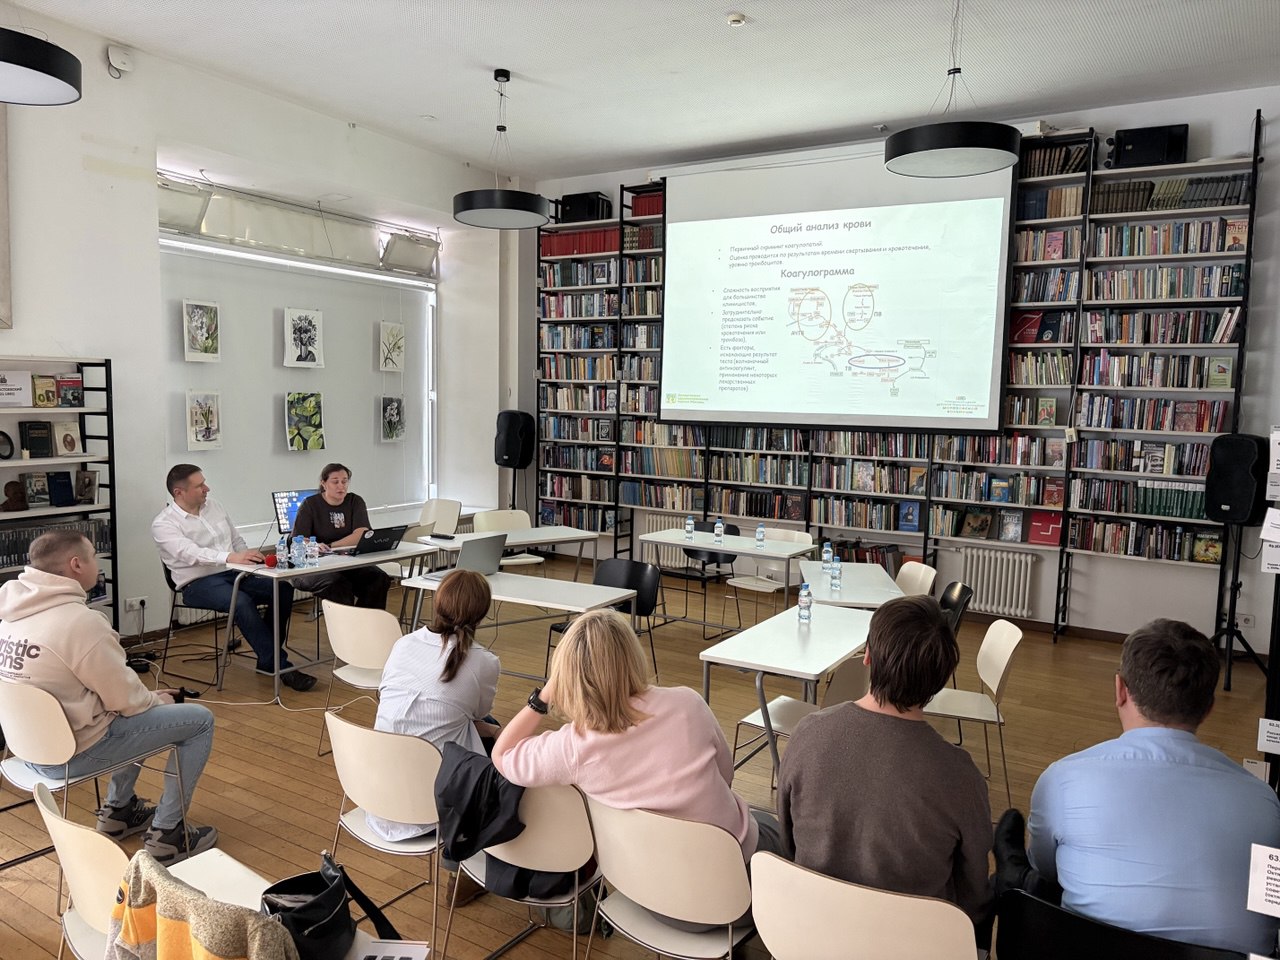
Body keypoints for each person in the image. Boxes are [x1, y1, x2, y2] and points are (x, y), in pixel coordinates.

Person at [493, 609, 785, 929]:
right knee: (769, 824)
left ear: (566, 676)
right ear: (633, 656)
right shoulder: (688, 704)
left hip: (650, 895)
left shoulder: (573, 747)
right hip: (738, 899)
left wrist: (542, 697)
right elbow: (726, 775)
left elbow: (502, 754)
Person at [1026, 619, 1280, 955]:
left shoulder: (1063, 780)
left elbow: (1044, 868)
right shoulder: (1264, 802)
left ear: (1120, 690)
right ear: (1209, 707)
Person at [777, 595, 993, 933]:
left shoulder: (808, 733)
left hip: (809, 933)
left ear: (867, 656)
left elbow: (789, 838)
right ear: (942, 677)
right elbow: (974, 891)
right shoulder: (961, 776)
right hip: (910, 943)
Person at [0, 530, 217, 864]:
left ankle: (119, 812)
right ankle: (168, 834)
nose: (98, 565)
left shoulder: (10, 616)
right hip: (71, 755)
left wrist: (145, 699)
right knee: (199, 721)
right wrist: (157, 700)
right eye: (93, 556)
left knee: (133, 709)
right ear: (76, 564)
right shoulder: (80, 623)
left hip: (26, 748)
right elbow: (127, 702)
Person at [151, 464, 315, 691]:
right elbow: (190, 553)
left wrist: (250, 559)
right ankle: (281, 666)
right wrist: (230, 557)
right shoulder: (163, 524)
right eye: (199, 486)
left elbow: (236, 540)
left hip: (234, 572)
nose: (207, 488)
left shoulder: (214, 506)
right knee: (241, 601)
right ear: (179, 492)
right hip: (196, 583)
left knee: (282, 588)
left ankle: (268, 658)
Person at [368, 569, 500, 843]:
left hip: (377, 797)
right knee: (495, 731)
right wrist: (496, 732)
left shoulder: (403, 644)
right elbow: (478, 713)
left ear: (437, 603)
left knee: (477, 723)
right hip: (433, 809)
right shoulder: (484, 662)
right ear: (481, 614)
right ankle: (476, 841)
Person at [290, 463, 390, 610]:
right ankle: (346, 623)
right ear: (324, 483)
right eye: (335, 482)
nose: (341, 486)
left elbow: (361, 534)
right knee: (338, 584)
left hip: (347, 562)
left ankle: (365, 621)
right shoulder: (310, 504)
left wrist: (330, 546)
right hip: (312, 566)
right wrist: (314, 545)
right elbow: (298, 540)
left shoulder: (355, 501)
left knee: (379, 579)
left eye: (344, 481)